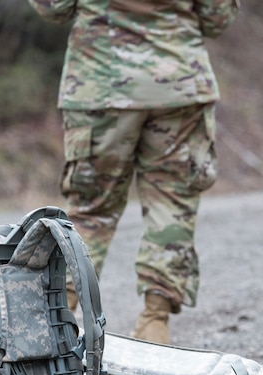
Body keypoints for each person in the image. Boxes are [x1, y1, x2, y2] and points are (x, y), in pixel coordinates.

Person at [27, 0, 240, 344]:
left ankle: (56, 319)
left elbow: (54, 8)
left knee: (92, 209)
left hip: (101, 84)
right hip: (178, 85)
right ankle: (155, 323)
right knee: (172, 204)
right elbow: (218, 17)